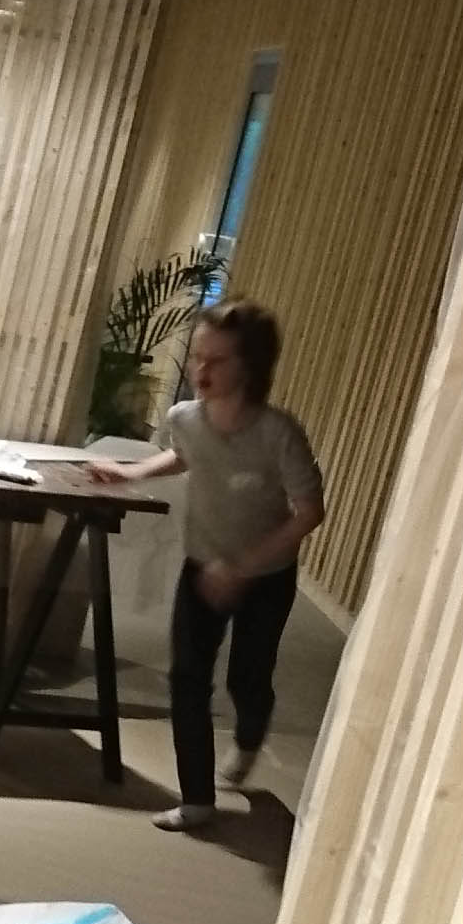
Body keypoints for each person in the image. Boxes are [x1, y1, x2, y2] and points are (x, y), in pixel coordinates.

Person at [89, 298, 324, 832]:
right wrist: (132, 473)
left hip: (266, 575)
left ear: (250, 366)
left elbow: (311, 511)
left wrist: (242, 567)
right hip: (202, 565)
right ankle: (196, 799)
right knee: (187, 678)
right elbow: (185, 454)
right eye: (199, 356)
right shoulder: (184, 418)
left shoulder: (278, 433)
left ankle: (249, 737)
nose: (201, 369)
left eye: (217, 360)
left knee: (248, 676)